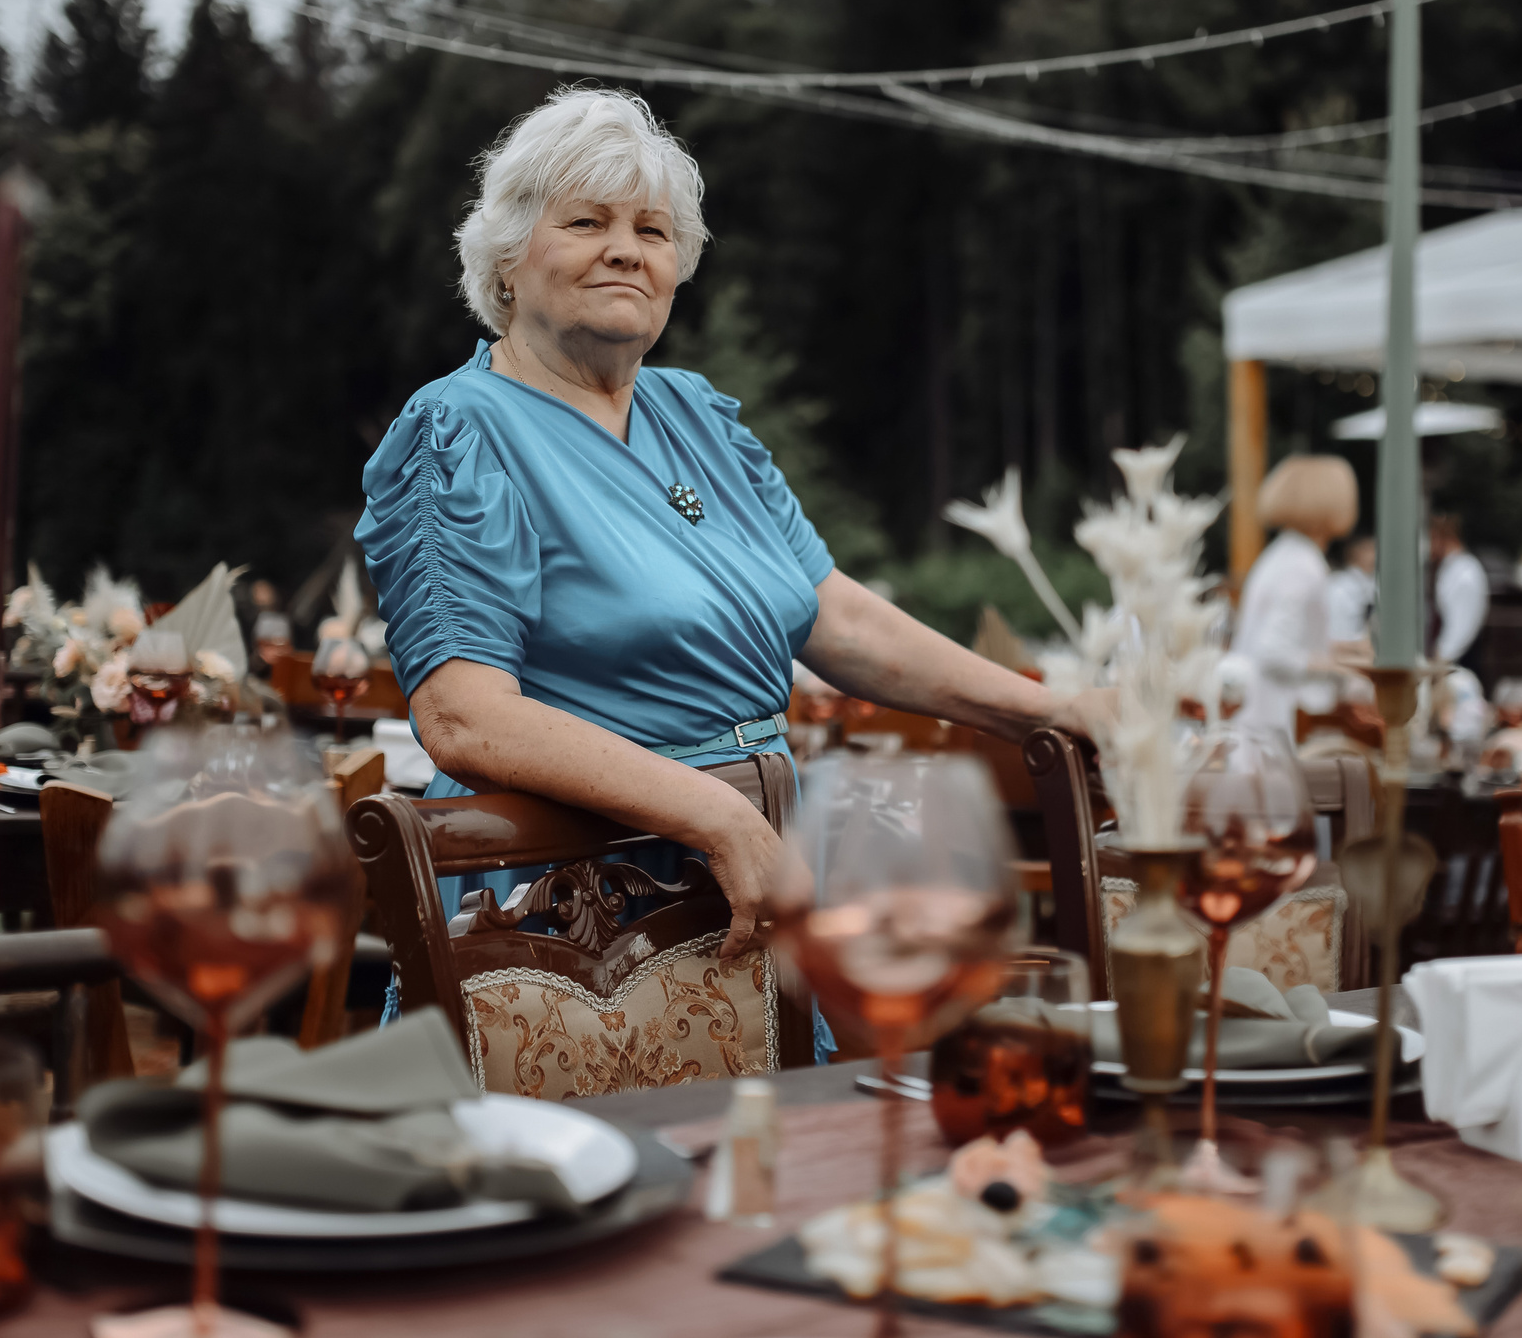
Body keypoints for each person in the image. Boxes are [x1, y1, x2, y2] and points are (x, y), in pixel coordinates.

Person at [355, 87, 1110, 960]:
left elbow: (828, 613)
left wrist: (1044, 710)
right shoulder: (458, 431)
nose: (625, 252)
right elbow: (465, 719)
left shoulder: (699, 417)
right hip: (573, 909)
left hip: (752, 859)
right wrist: (712, 810)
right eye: (586, 222)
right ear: (506, 260)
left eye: (652, 231)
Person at [1235, 455, 1360, 739]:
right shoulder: (1304, 566)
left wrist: (1342, 650)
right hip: (1280, 723)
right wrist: (1338, 667)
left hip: (1255, 715)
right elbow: (1274, 652)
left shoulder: (1281, 554)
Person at [1427, 514, 1487, 669]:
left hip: (1456, 667)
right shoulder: (1450, 568)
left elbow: (1461, 628)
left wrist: (1440, 660)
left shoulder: (1464, 572)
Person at [1325, 535, 1376, 649]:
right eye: (1368, 549)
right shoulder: (1338, 587)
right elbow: (1335, 636)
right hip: (1345, 653)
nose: (1374, 554)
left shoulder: (1378, 584)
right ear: (1353, 552)